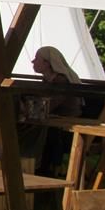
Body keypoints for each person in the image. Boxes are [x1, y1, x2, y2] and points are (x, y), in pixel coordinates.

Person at [28, 45, 83, 175]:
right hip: (53, 123)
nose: (33, 61)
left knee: (40, 133)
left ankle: (43, 169)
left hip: (65, 128)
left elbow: (49, 105)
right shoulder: (48, 80)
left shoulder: (61, 81)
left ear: (47, 63)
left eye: (37, 58)